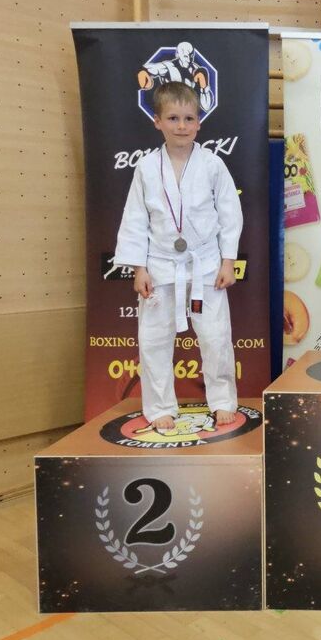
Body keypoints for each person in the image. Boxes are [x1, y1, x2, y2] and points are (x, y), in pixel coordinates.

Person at [114, 82, 242, 430]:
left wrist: (228, 261)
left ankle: (222, 401)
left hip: (205, 263)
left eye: (189, 118)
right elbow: (135, 219)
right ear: (157, 121)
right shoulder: (146, 167)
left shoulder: (213, 165)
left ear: (199, 122)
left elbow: (230, 214)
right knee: (154, 339)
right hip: (160, 264)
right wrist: (139, 268)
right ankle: (160, 407)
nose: (182, 126)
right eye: (173, 118)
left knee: (215, 336)